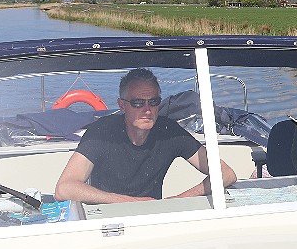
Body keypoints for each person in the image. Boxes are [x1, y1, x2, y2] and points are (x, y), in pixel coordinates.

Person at [55, 68, 237, 204]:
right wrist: (129, 202)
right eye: (138, 103)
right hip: (106, 219)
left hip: (152, 218)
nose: (147, 110)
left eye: (154, 102)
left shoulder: (169, 132)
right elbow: (65, 188)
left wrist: (179, 200)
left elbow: (226, 174)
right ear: (122, 105)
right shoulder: (102, 133)